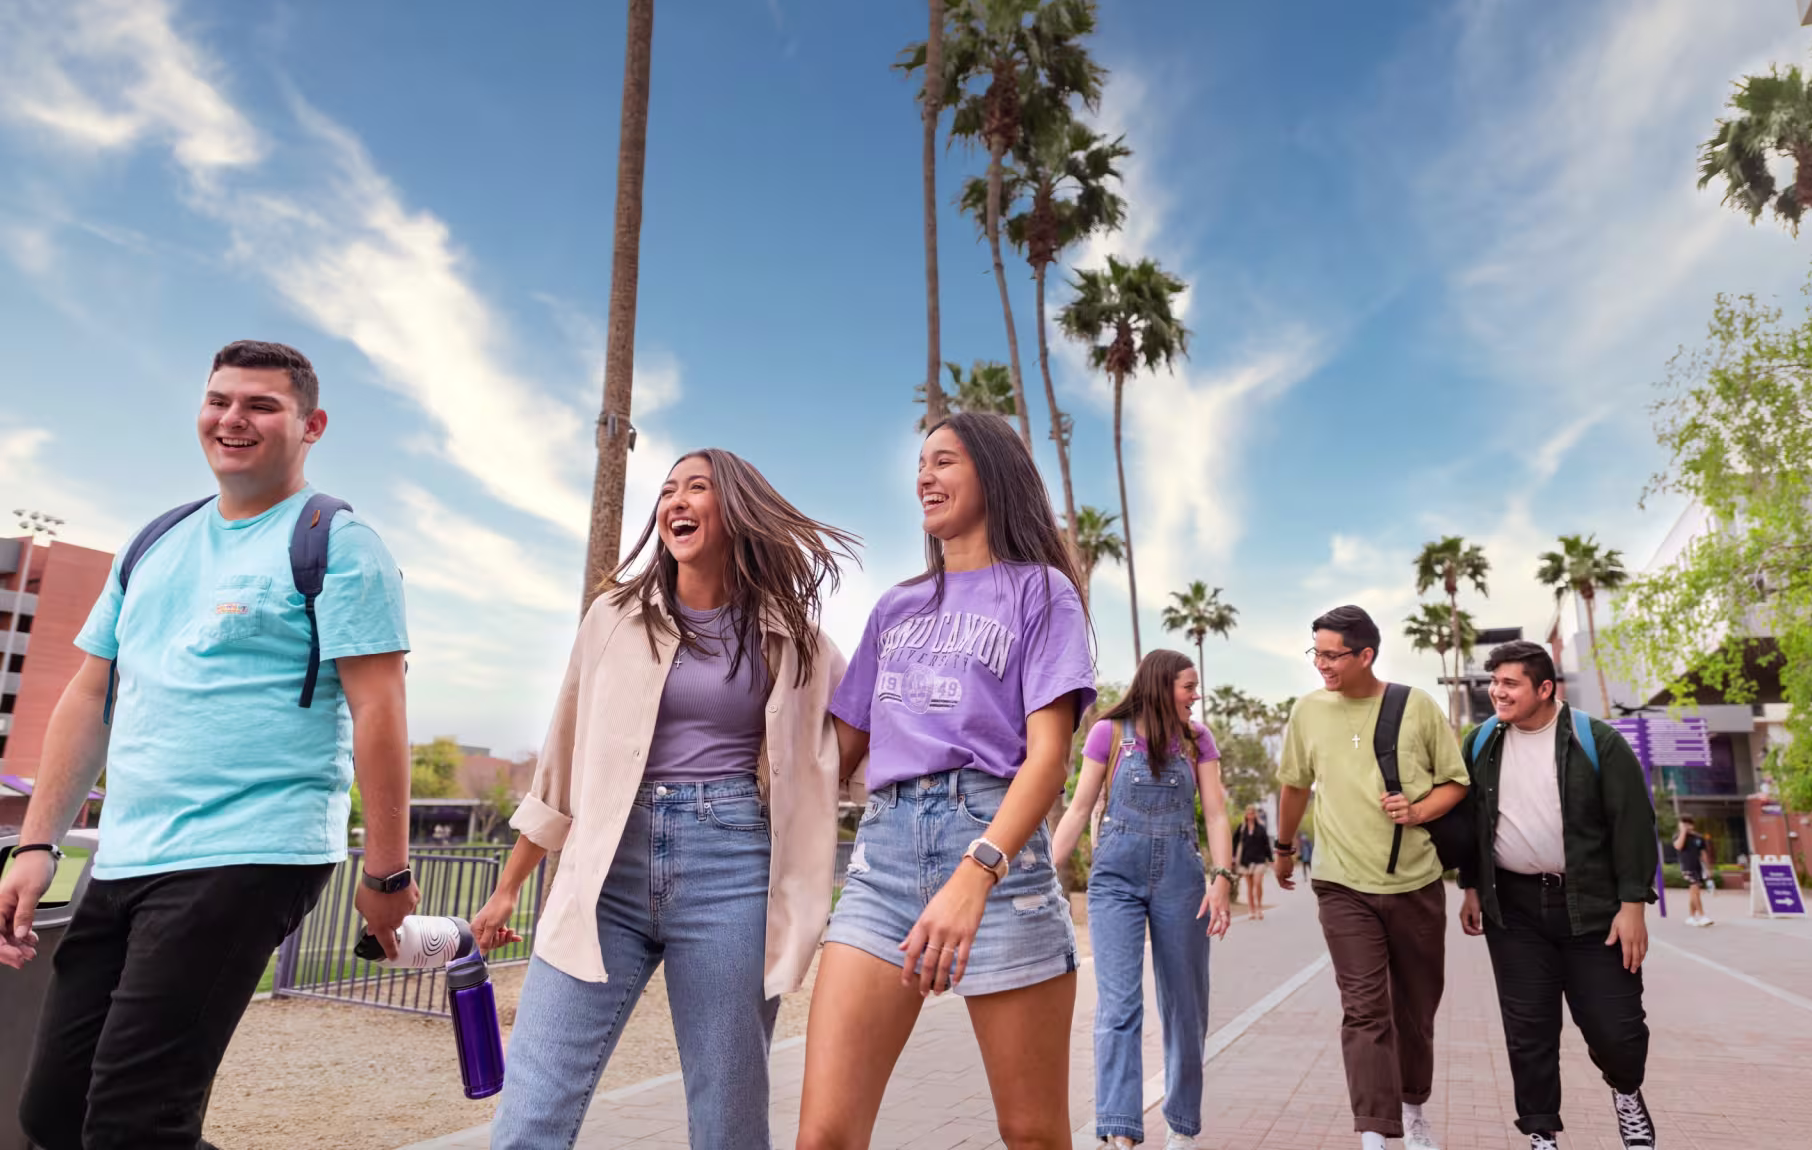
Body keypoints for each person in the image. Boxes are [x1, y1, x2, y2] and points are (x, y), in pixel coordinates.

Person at [0, 340, 415, 1150]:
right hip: (127, 855)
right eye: (219, 400)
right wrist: (37, 842)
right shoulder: (154, 542)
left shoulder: (339, 542)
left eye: (261, 405)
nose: (233, 418)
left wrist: (388, 872)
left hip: (249, 851)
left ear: (311, 424)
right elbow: (90, 695)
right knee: (52, 1112)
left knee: (132, 1122)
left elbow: (380, 711)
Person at [473, 449, 856, 1150]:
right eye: (668, 490)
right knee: (532, 1107)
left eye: (697, 488)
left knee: (727, 1118)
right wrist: (506, 889)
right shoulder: (613, 617)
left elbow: (850, 738)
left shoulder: (792, 636)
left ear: (735, 510)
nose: (676, 501)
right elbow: (561, 758)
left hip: (732, 869)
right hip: (605, 870)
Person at [796, 412, 1096, 1150]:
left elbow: (1049, 757)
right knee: (823, 1135)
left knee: (1031, 1133)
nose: (924, 477)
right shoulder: (896, 606)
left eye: (945, 461)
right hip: (884, 859)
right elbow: (836, 750)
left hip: (995, 851)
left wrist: (978, 872)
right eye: (920, 466)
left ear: (992, 474)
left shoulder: (1041, 591)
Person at [1273, 605, 1469, 1150]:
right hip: (1341, 885)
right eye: (1315, 652)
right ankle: (1375, 1134)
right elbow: (1294, 785)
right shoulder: (1307, 712)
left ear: (1366, 655)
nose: (1321, 664)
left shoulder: (1417, 707)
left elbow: (1455, 782)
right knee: (1364, 1010)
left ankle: (1413, 1110)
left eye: (1332, 654)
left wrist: (1419, 810)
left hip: (1415, 882)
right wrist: (1284, 848)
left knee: (1416, 1009)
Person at [1457, 641, 1659, 1150]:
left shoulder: (1597, 742)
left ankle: (1626, 1090)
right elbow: (1469, 823)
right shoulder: (1480, 743)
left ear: (1545, 689)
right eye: (1494, 682)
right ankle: (1541, 1133)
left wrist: (1633, 904)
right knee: (1529, 1032)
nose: (1497, 692)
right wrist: (1471, 887)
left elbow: (1633, 823)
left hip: (1594, 908)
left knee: (1617, 1030)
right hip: (1515, 910)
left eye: (1510, 684)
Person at [1053, 649, 1235, 1150]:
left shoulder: (1198, 740)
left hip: (1182, 881)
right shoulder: (1108, 734)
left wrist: (1222, 878)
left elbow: (1216, 815)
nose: (1195, 696)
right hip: (1115, 881)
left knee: (1186, 1005)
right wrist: (1048, 874)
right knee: (1118, 1005)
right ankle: (1118, 1131)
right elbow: (1078, 809)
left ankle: (1182, 1125)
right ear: (1160, 685)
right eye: (1188, 687)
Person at [1232, 805, 1275, 919]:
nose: (1250, 815)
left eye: (1252, 813)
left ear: (1255, 814)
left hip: (1259, 860)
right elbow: (1234, 842)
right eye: (1248, 813)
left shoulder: (1261, 828)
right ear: (1246, 815)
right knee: (1250, 887)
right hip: (1245, 861)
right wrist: (1233, 857)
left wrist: (1270, 860)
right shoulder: (1242, 828)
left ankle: (1259, 908)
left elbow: (1266, 845)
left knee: (1257, 884)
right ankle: (1251, 910)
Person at [1674, 818, 1713, 927]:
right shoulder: (1678, 836)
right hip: (1687, 868)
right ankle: (1702, 916)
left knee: (1694, 893)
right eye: (1683, 824)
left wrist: (1708, 869)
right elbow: (1678, 846)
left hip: (1698, 867)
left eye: (1688, 824)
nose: (1686, 826)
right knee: (1695, 889)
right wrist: (1683, 832)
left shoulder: (1698, 838)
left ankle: (1691, 917)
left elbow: (1703, 854)